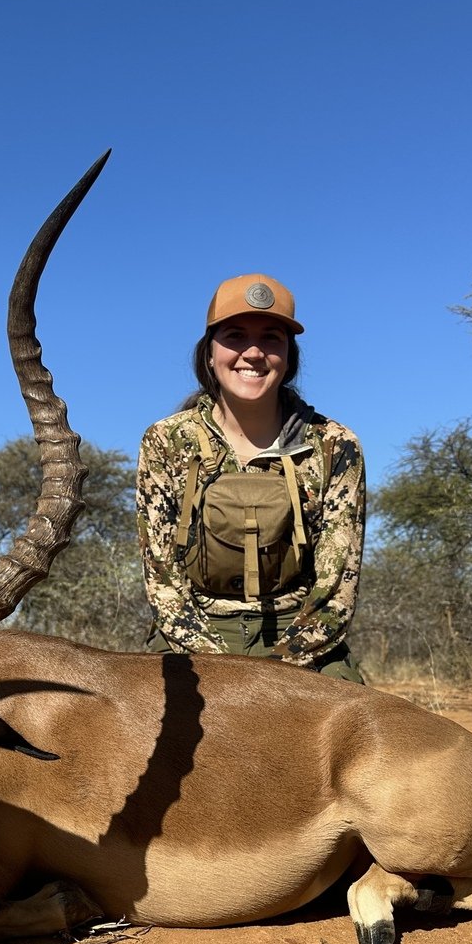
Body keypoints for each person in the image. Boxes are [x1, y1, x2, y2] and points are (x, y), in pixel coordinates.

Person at [136, 273, 365, 681]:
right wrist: (222, 671)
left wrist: (276, 673)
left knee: (368, 736)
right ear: (209, 353)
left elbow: (336, 590)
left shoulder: (335, 444)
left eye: (272, 338)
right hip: (190, 637)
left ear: (289, 356)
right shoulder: (166, 441)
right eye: (236, 336)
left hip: (302, 638)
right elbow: (163, 581)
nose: (253, 353)